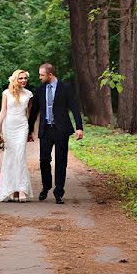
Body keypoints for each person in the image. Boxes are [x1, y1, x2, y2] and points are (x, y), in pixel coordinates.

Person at [28, 62, 83, 204]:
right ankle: (46, 187)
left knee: (61, 161)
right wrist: (29, 130)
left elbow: (74, 108)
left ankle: (59, 191)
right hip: (46, 130)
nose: (39, 77)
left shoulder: (65, 88)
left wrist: (79, 127)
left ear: (50, 74)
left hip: (61, 130)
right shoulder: (40, 89)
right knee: (44, 160)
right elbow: (34, 111)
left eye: (42, 75)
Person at [0, 69, 34, 202]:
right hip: (8, 127)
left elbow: (29, 114)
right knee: (10, 157)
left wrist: (31, 131)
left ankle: (21, 189)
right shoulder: (6, 93)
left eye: (25, 78)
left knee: (20, 156)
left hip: (22, 127)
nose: (24, 81)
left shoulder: (29, 94)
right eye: (21, 78)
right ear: (15, 79)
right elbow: (3, 111)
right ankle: (11, 190)